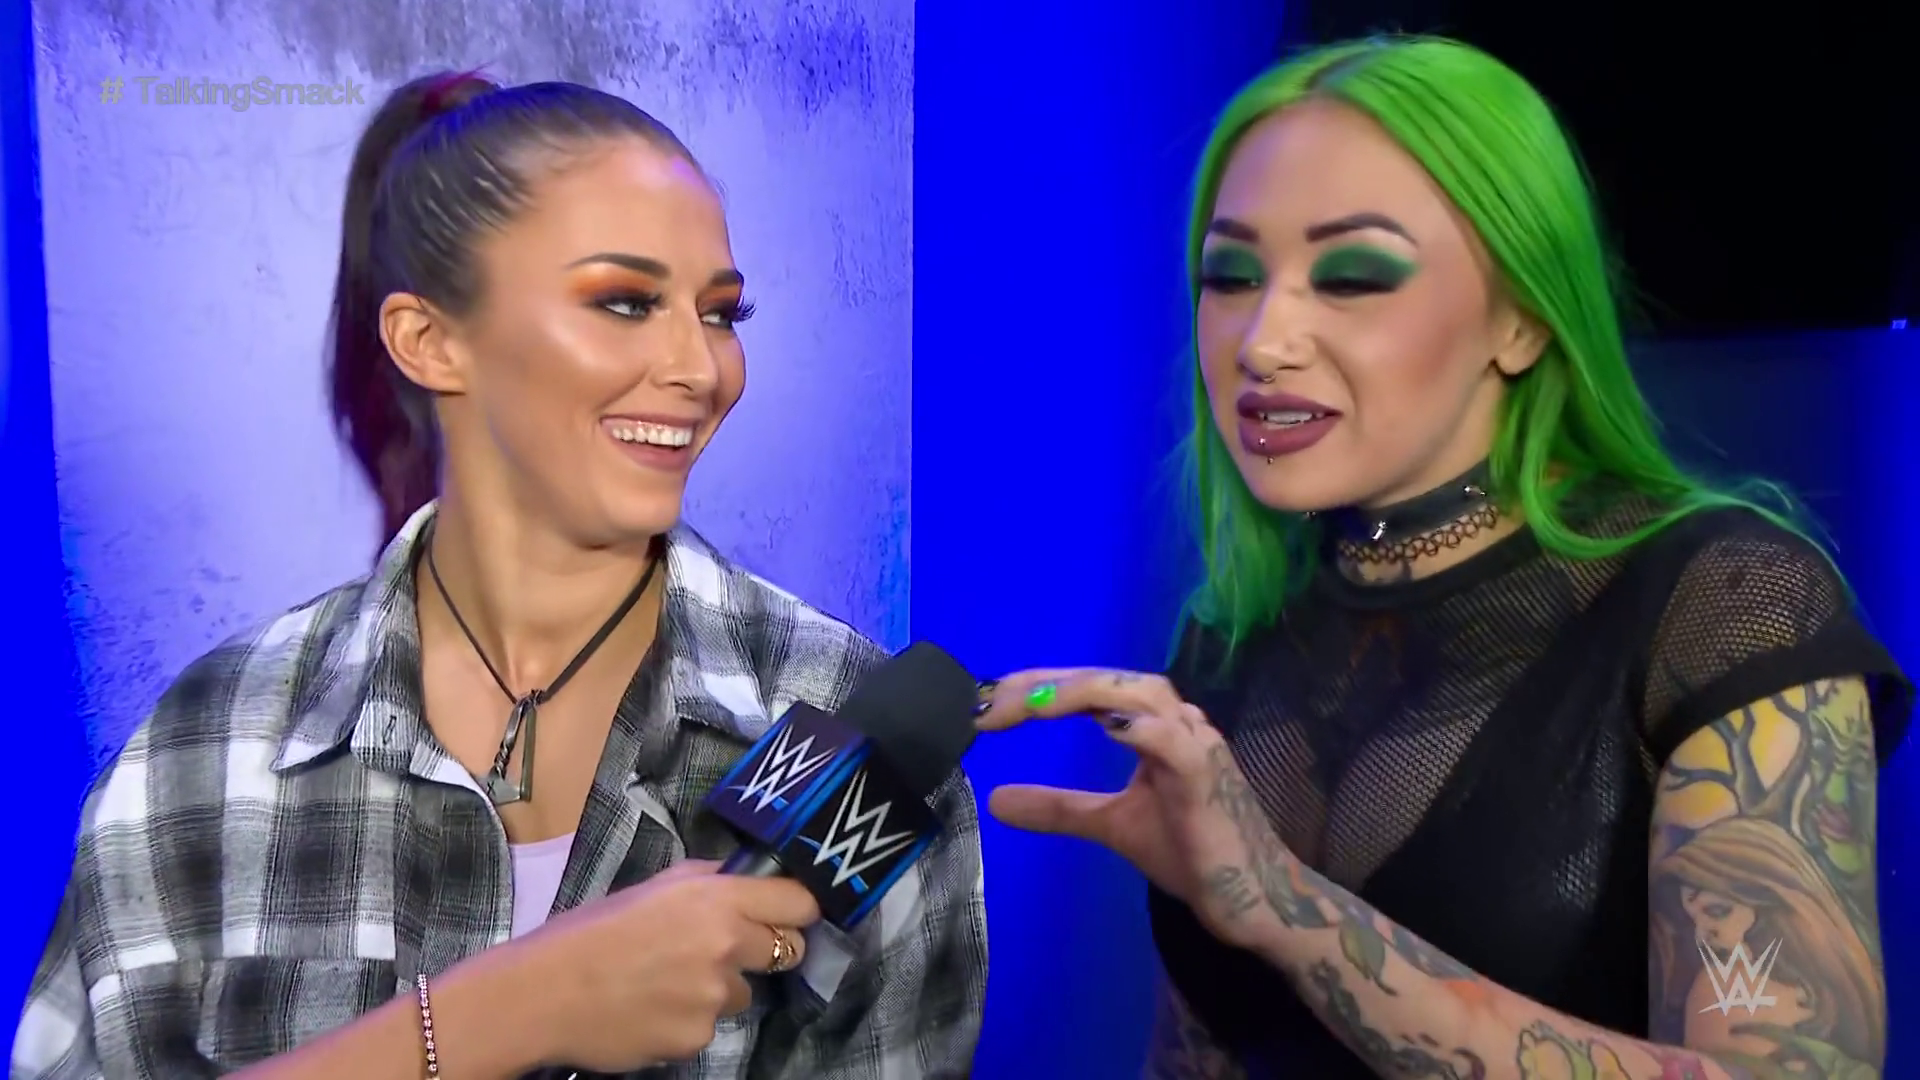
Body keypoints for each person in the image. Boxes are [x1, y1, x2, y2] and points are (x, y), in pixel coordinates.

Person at [12, 72, 985, 1080]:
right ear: (429, 341)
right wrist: (507, 1012)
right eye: (626, 302)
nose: (703, 371)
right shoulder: (210, 743)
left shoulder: (846, 723)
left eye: (721, 313)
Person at [975, 35, 1909, 1080]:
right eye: (1230, 275)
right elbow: (1204, 1053)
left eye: (1353, 276)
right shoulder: (1236, 636)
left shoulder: (1722, 608)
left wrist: (1286, 910)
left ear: (1523, 318)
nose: (1263, 340)